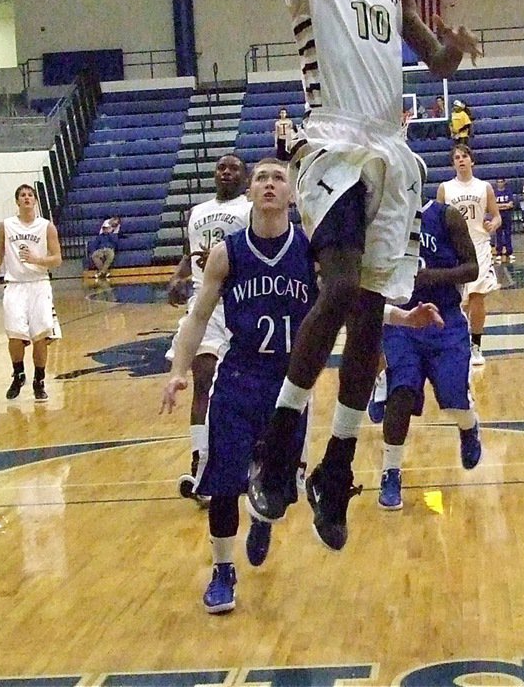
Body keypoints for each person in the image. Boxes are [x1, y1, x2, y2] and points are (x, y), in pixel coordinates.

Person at [192, 0, 480, 552]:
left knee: (369, 311)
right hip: (333, 139)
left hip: (393, 150)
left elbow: (431, 52)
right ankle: (282, 448)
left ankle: (336, 461)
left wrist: (452, 50)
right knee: (341, 283)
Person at [160, 159, 438, 612]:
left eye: (278, 179)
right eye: (262, 179)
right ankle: (223, 571)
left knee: (282, 487)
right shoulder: (227, 252)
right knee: (223, 483)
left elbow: (348, 300)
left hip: (292, 383)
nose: (269, 184)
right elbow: (198, 315)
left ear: (295, 196)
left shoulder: (311, 250)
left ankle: (264, 511)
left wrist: (401, 316)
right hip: (239, 378)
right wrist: (178, 371)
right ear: (250, 193)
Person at [377, 200, 482, 511]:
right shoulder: (381, 218)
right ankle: (391, 472)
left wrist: (429, 277)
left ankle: (468, 426)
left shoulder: (444, 215)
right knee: (402, 392)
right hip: (401, 319)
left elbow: (472, 268)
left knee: (452, 396)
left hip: (445, 319)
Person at [165, 154, 251, 502]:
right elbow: (191, 253)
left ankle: (245, 459)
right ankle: (200, 462)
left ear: (245, 177)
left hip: (240, 301)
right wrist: (178, 275)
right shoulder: (197, 212)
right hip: (203, 304)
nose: (226, 172)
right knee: (202, 381)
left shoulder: (249, 209)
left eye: (233, 168)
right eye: (221, 167)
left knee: (237, 391)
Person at [0, 184, 62, 402]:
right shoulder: (6, 226)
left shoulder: (46, 227)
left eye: (30, 195)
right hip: (15, 285)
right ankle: (18, 374)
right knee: (15, 335)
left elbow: (57, 259)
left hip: (39, 284)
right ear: (17, 201)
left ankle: (39, 381)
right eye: (22, 195)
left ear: (35, 201)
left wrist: (37, 260)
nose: (26, 198)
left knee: (41, 337)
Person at [437, 145, 500, 368]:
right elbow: (438, 219)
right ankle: (454, 340)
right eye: (456, 157)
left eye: (464, 156)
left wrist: (493, 223)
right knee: (457, 301)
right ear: (453, 163)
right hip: (455, 248)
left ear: (472, 161)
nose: (461, 160)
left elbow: (497, 216)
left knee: (477, 295)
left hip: (480, 244)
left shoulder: (484, 187)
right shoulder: (445, 188)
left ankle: (476, 345)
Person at [86, 215, 122, 280]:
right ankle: (104, 272)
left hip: (109, 249)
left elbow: (116, 243)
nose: (105, 230)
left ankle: (101, 272)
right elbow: (95, 244)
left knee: (111, 256)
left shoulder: (113, 235)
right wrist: (93, 251)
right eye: (104, 228)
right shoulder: (100, 236)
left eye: (106, 228)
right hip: (101, 249)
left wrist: (110, 233)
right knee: (94, 255)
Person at [492, 178, 514, 263]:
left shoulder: (508, 192)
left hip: (507, 215)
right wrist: (505, 205)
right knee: (499, 234)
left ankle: (509, 252)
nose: (500, 183)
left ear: (504, 183)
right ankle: (499, 252)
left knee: (508, 233)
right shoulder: (494, 193)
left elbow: (511, 204)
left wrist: (500, 206)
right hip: (498, 216)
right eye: (498, 182)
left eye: (501, 182)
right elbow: (494, 205)